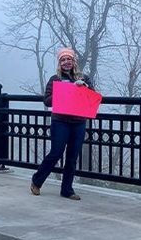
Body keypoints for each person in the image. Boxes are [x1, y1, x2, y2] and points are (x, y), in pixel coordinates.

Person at [30, 48, 94, 200]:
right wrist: (63, 91)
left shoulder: (84, 78)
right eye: (63, 60)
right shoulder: (55, 79)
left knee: (72, 157)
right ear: (59, 63)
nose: (66, 62)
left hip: (78, 122)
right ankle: (37, 181)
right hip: (60, 121)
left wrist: (84, 87)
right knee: (56, 152)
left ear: (74, 62)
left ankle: (67, 190)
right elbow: (46, 100)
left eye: (69, 59)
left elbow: (93, 96)